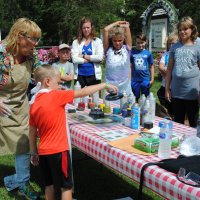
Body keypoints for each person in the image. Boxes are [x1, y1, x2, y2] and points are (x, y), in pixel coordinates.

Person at [29, 64, 117, 200]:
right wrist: (104, 85)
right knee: (66, 187)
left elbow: (32, 132)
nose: (59, 86)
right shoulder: (57, 95)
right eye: (58, 83)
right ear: (47, 81)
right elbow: (83, 92)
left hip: (43, 152)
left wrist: (34, 152)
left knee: (49, 185)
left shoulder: (34, 104)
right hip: (59, 150)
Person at [0, 18, 41, 199]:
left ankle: (22, 182)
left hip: (19, 108)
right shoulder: (1, 54)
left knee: (24, 145)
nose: (36, 44)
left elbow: (42, 76)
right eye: (33, 39)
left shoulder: (33, 55)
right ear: (19, 36)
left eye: (37, 39)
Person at [165, 16, 200, 127]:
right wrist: (167, 89)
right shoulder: (175, 47)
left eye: (185, 29)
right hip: (176, 92)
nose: (182, 32)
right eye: (180, 29)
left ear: (192, 29)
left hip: (192, 93)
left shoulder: (198, 46)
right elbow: (169, 69)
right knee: (178, 124)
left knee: (193, 123)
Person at [103, 20, 133, 102]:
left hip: (125, 87)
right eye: (115, 40)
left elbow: (127, 27)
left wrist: (124, 26)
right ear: (111, 40)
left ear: (123, 39)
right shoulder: (107, 49)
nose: (117, 43)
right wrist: (117, 23)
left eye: (120, 40)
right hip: (110, 88)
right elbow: (106, 30)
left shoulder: (127, 48)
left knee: (125, 111)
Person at [71, 17, 104, 88]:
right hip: (80, 75)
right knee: (79, 98)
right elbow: (74, 59)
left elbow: (99, 57)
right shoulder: (76, 42)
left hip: (94, 75)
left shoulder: (97, 41)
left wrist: (83, 56)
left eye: (88, 27)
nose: (86, 30)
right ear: (81, 29)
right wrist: (89, 59)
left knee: (95, 98)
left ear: (91, 28)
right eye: (84, 28)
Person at [157, 32, 178, 116]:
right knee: (166, 106)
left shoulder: (179, 55)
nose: (172, 45)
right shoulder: (166, 55)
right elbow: (161, 66)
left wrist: (167, 71)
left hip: (175, 87)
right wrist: (169, 72)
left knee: (176, 108)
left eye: (174, 43)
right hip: (165, 85)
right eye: (170, 43)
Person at [130, 32, 154, 100]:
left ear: (145, 42)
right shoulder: (132, 53)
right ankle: (135, 110)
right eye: (138, 43)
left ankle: (145, 110)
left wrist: (152, 79)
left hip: (145, 80)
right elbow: (130, 67)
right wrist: (130, 79)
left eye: (142, 42)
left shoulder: (148, 53)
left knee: (145, 99)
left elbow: (151, 66)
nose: (140, 45)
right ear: (135, 42)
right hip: (135, 80)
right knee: (134, 99)